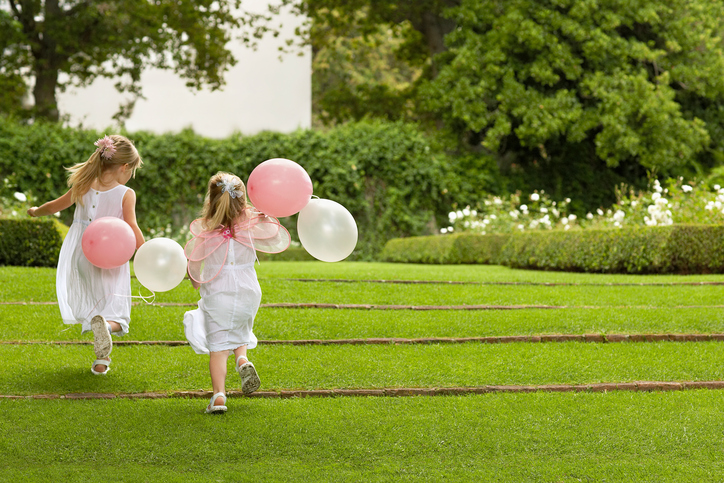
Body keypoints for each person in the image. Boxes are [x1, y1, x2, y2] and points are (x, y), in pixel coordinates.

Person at [28, 134, 145, 375]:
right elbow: (132, 227)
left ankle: (102, 361)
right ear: (124, 167)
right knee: (115, 310)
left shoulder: (83, 184)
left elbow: (55, 206)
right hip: (111, 257)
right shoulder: (126, 193)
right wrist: (145, 251)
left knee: (96, 309)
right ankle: (110, 328)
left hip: (83, 253)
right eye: (131, 170)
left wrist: (36, 211)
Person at [183, 172, 290, 414]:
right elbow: (274, 236)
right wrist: (262, 216)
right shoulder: (251, 227)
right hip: (248, 292)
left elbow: (194, 263)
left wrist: (195, 282)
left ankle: (219, 396)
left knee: (218, 347)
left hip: (219, 294)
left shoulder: (205, 229)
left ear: (210, 202)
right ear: (243, 202)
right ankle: (242, 360)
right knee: (240, 328)